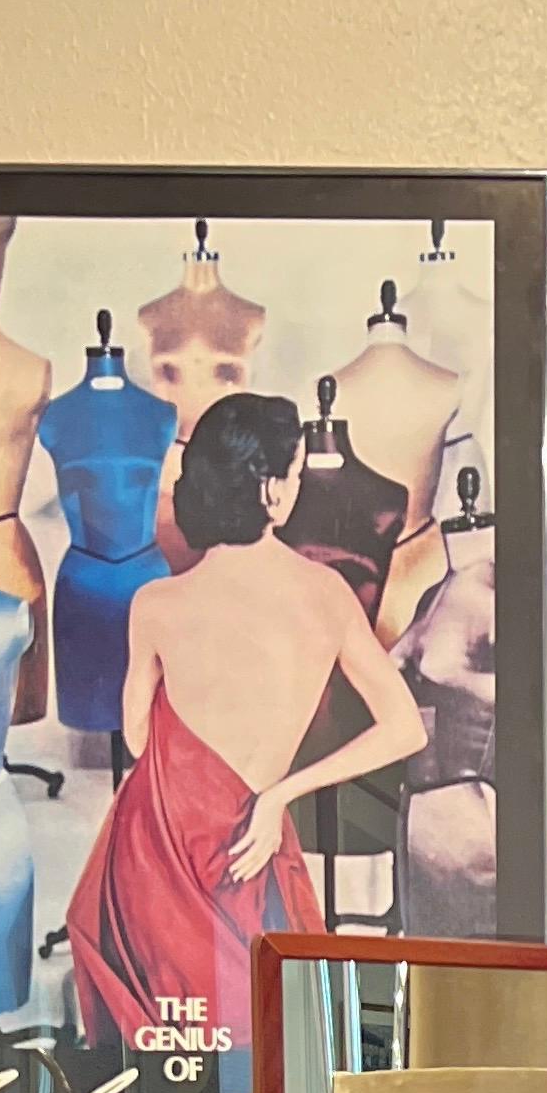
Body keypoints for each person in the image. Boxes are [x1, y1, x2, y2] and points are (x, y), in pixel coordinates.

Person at [66, 393, 428, 1054]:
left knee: (163, 1075)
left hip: (150, 861)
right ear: (268, 488)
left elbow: (140, 738)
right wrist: (280, 793)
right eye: (291, 474)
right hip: (248, 849)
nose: (294, 490)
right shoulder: (324, 595)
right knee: (266, 1060)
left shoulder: (156, 601)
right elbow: (405, 728)